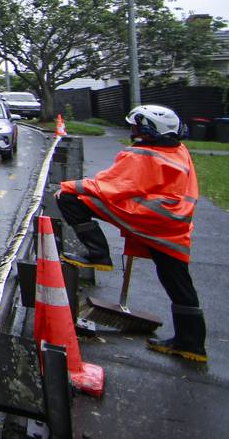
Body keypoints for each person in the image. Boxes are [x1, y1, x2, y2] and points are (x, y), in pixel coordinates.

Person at [55, 104, 205, 363]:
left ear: (151, 130)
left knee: (70, 200)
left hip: (147, 217)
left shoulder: (143, 155)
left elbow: (107, 187)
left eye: (137, 127)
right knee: (178, 282)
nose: (133, 131)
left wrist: (66, 187)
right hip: (175, 225)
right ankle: (191, 344)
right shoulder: (180, 151)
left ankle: (98, 254)